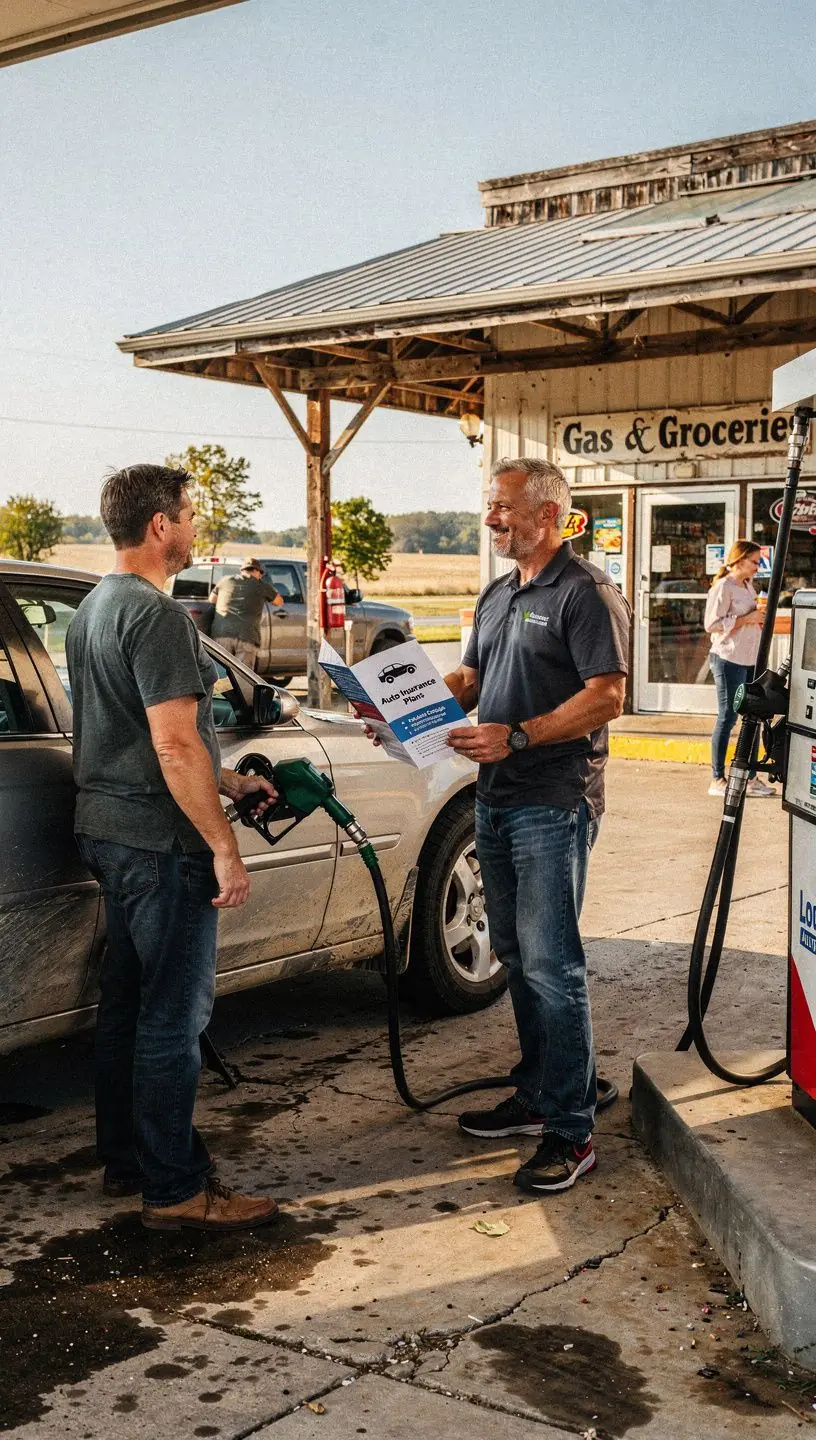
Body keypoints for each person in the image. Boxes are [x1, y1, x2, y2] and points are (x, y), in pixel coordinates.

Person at [66, 464, 281, 1233]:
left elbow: (146, 735)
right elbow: (171, 743)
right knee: (173, 1016)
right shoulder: (157, 618)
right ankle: (177, 1189)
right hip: (160, 845)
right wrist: (223, 847)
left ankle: (128, 1158)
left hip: (108, 831)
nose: (194, 529)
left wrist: (229, 785)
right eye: (189, 516)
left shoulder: (93, 608)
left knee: (127, 1003)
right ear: (160, 525)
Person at [444, 457, 629, 1194]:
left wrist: (518, 735)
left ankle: (571, 1130)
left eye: (503, 508)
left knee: (554, 964)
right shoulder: (498, 593)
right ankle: (541, 1090)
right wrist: (403, 704)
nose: (492, 518)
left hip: (553, 800)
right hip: (495, 797)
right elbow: (472, 679)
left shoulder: (585, 592)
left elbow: (607, 696)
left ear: (548, 515)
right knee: (518, 957)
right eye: (489, 505)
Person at [704, 539, 775, 799]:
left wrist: (757, 617)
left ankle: (750, 776)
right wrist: (746, 619)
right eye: (755, 562)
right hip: (727, 658)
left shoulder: (746, 586)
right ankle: (717, 778)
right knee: (727, 717)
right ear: (740, 560)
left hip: (749, 658)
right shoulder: (724, 587)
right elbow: (711, 624)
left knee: (752, 716)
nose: (758, 567)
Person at [208, 558, 282, 672]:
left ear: (242, 570)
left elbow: (212, 599)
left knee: (220, 675)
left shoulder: (225, 580)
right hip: (246, 637)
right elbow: (279, 602)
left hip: (221, 635)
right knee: (242, 676)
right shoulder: (262, 586)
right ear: (257, 572)